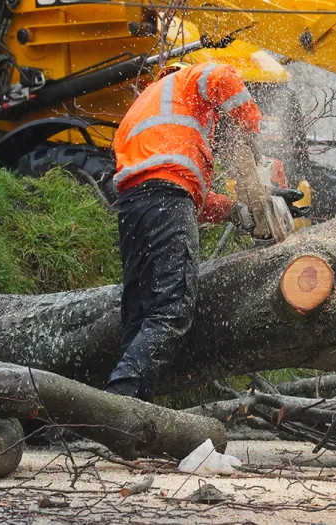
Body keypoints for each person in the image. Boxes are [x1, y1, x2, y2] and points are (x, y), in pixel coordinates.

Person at [105, 61, 265, 401]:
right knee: (171, 309)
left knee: (139, 312)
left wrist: (235, 211)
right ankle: (120, 399)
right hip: (166, 200)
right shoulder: (189, 79)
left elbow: (190, 196)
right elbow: (222, 75)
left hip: (135, 205)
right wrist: (250, 130)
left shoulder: (151, 110)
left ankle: (126, 411)